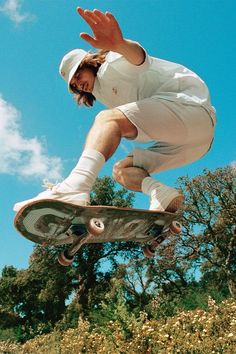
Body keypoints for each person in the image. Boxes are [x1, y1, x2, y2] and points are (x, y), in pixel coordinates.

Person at [14, 7, 216, 213]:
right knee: (121, 171)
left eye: (78, 75)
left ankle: (74, 187)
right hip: (193, 146)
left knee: (107, 119)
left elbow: (138, 59)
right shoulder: (104, 94)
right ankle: (161, 195)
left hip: (190, 107)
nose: (78, 84)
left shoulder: (111, 64)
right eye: (73, 84)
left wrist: (119, 45)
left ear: (88, 63)